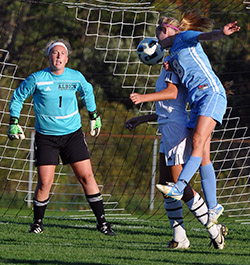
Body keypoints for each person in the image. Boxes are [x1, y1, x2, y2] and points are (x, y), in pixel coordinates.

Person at [8, 39, 115, 236]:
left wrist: (94, 116)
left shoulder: (75, 77)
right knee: (45, 183)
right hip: (46, 138)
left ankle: (103, 224)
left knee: (87, 177)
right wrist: (14, 121)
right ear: (48, 56)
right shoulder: (37, 78)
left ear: (67, 58)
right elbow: (18, 96)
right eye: (54, 53)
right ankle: (37, 223)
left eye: (61, 53)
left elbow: (88, 91)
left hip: (72, 135)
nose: (58, 56)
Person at [125, 58, 227, 249]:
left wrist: (143, 97)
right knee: (165, 184)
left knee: (177, 186)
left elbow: (172, 94)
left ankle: (214, 229)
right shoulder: (168, 68)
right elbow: (168, 108)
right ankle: (180, 237)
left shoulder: (175, 68)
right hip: (167, 126)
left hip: (175, 129)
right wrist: (142, 118)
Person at [155, 10, 240, 228]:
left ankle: (179, 185)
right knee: (203, 156)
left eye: (157, 35)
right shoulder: (172, 55)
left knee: (197, 142)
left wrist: (222, 32)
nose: (156, 41)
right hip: (197, 102)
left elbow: (205, 36)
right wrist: (171, 66)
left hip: (211, 94)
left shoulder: (183, 37)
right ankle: (213, 207)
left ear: (164, 31)